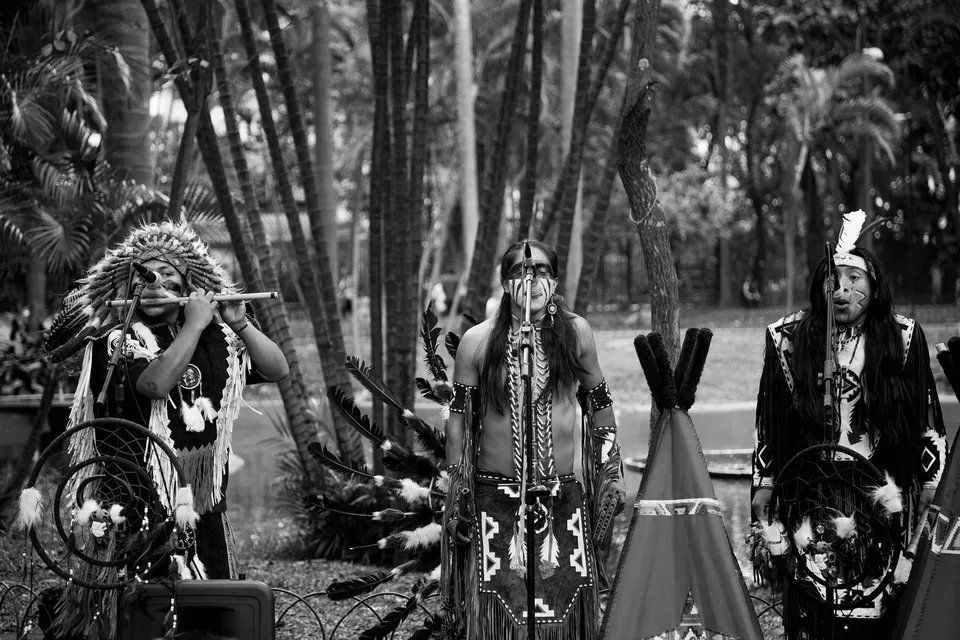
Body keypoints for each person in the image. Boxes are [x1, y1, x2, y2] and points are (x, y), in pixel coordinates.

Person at [43, 220, 287, 621]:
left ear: (189, 286)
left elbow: (277, 370)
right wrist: (193, 325)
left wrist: (239, 322)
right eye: (145, 277)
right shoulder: (119, 339)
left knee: (210, 611)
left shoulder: (218, 336)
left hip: (203, 500)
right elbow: (155, 384)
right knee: (143, 613)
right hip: (137, 500)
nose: (155, 285)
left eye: (168, 277)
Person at [751, 213, 947, 639]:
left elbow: (923, 419)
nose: (843, 288)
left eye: (855, 277)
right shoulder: (788, 338)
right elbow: (771, 422)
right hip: (811, 487)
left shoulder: (902, 337)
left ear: (874, 288)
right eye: (834, 277)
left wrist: (932, 480)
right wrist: (765, 480)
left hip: (881, 490)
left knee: (877, 608)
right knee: (815, 606)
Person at [442, 239, 624, 640]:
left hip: (562, 497)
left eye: (541, 271)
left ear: (555, 282)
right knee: (497, 617)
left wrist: (610, 473)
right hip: (494, 500)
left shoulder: (576, 334)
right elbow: (458, 420)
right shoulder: (477, 341)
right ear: (506, 285)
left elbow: (600, 405)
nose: (532, 279)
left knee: (566, 614)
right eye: (521, 272)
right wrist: (456, 495)